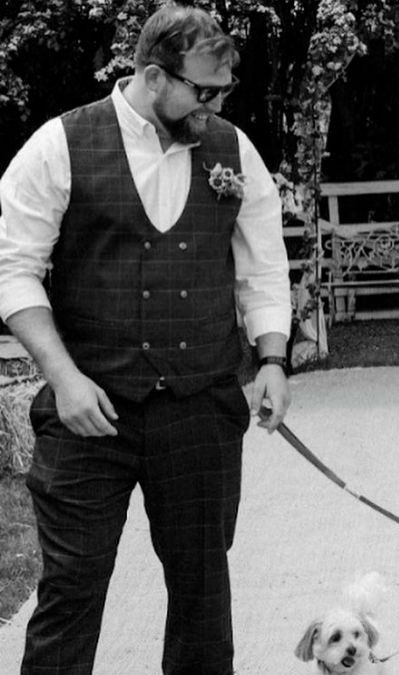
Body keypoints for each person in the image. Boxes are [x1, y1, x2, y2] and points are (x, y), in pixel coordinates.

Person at [0, 5, 292, 674]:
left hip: (199, 408)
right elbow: (13, 270)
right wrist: (64, 378)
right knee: (71, 588)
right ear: (154, 76)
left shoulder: (233, 150)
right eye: (204, 91)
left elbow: (264, 269)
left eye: (224, 91)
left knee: (202, 590)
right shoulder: (59, 144)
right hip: (87, 408)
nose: (216, 107)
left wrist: (273, 358)